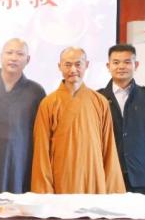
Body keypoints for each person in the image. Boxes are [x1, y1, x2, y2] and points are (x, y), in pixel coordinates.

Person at [31, 47, 125, 194]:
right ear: (59, 66)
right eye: (68, 65)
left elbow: (109, 147)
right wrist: (44, 191)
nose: (73, 70)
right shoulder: (48, 103)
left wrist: (112, 190)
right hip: (62, 177)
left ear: (86, 65)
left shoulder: (100, 102)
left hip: (93, 175)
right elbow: (41, 151)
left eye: (78, 64)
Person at [0, 38, 46, 194]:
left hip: (22, 163)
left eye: (19, 54)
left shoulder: (36, 92)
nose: (13, 58)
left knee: (18, 204)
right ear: (1, 57)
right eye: (9, 53)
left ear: (28, 59)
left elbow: (41, 135)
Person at [98, 44, 145, 196]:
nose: (121, 67)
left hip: (143, 178)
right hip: (107, 176)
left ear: (136, 65)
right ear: (108, 66)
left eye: (127, 62)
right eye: (116, 62)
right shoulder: (98, 98)